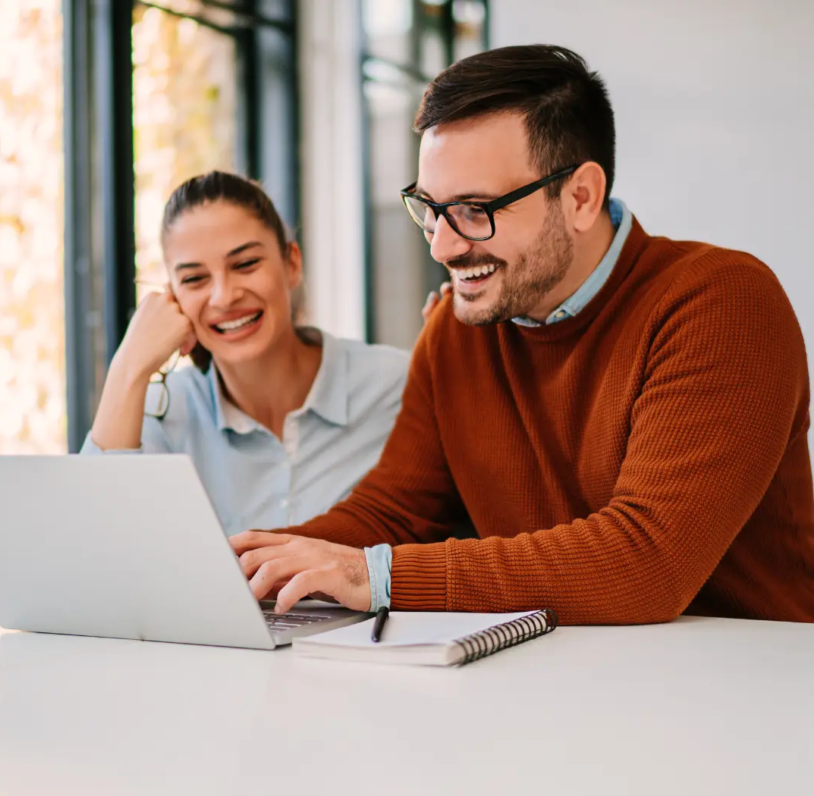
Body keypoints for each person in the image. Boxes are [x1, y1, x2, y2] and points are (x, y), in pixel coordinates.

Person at [231, 45, 814, 624]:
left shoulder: (722, 303)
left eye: (475, 209)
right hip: (550, 681)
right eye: (431, 208)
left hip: (744, 690)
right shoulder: (460, 329)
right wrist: (246, 567)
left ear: (581, 197)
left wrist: (375, 576)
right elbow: (395, 513)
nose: (442, 244)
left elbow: (646, 561)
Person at [83, 171, 409, 538]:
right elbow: (94, 545)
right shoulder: (162, 410)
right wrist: (129, 366)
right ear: (173, 296)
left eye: (245, 264)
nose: (224, 296)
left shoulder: (397, 386)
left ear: (292, 264)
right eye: (194, 279)